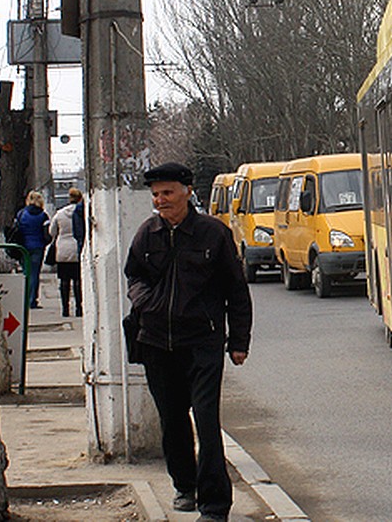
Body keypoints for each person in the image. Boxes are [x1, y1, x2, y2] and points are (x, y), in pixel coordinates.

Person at [124, 162, 252, 522]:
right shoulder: (147, 234)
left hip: (202, 342)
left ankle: (214, 506)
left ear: (187, 191)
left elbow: (235, 290)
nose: (160, 201)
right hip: (155, 343)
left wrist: (239, 340)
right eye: (155, 195)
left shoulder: (213, 234)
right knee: (172, 420)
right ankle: (184, 485)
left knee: (207, 423)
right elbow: (134, 276)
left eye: (167, 193)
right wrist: (146, 301)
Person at [49, 188, 85, 317]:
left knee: (64, 281)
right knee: (77, 281)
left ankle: (65, 308)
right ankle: (79, 308)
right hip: (77, 248)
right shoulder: (82, 212)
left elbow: (52, 232)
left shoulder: (60, 213)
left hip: (63, 249)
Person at [15, 191, 50, 309]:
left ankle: (25, 298)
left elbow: (17, 229)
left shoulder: (21, 214)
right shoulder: (43, 215)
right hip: (38, 247)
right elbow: (47, 233)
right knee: (34, 274)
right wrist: (44, 243)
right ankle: (32, 300)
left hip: (23, 247)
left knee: (26, 273)